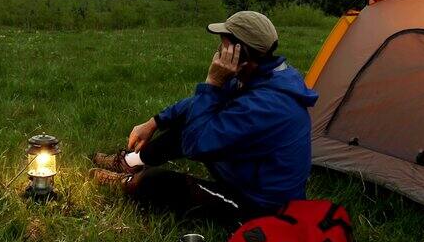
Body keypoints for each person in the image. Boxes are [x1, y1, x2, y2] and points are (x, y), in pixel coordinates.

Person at [90, 11, 318, 226]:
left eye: (223, 44)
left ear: (241, 54)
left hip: (262, 207)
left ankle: (127, 182)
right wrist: (155, 121)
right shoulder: (261, 75)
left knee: (157, 182)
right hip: (246, 173)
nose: (218, 50)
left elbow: (194, 145)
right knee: (195, 117)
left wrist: (213, 83)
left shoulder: (266, 105)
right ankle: (130, 163)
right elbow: (195, 106)